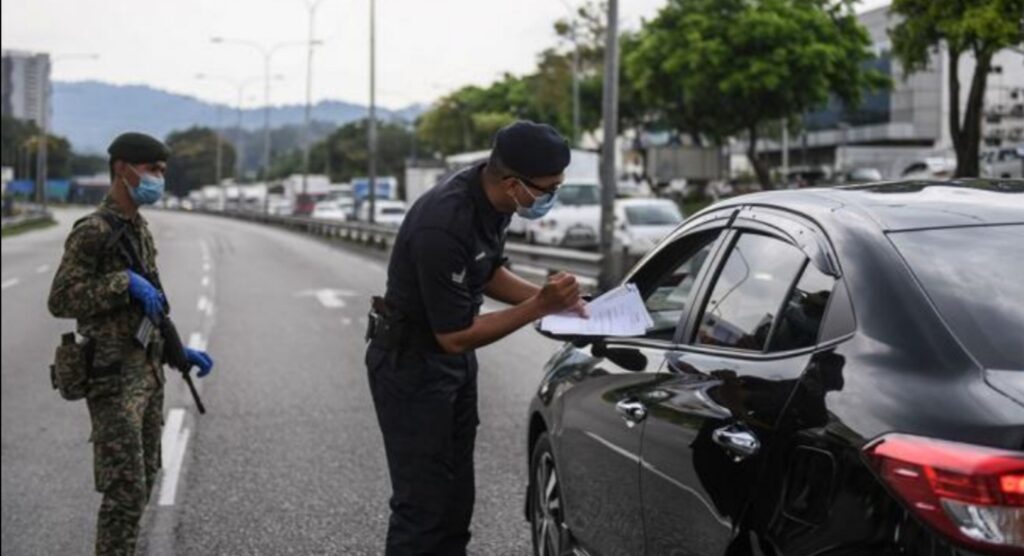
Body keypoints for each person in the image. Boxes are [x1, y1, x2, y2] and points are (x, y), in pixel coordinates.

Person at [365, 121, 587, 555]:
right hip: (411, 368)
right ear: (512, 183)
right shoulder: (443, 223)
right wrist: (539, 306)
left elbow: (486, 272)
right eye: (548, 190)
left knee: (455, 503)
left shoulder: (496, 202)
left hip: (451, 368)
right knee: (422, 509)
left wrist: (556, 302)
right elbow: (454, 336)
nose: (551, 198)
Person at [47, 132, 214, 556]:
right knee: (124, 492)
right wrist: (123, 282)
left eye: (162, 170)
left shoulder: (137, 228)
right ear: (123, 169)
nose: (159, 178)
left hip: (147, 374)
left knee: (144, 482)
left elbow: (151, 306)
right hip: (112, 378)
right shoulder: (94, 231)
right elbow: (60, 299)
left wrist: (177, 353)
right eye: (152, 170)